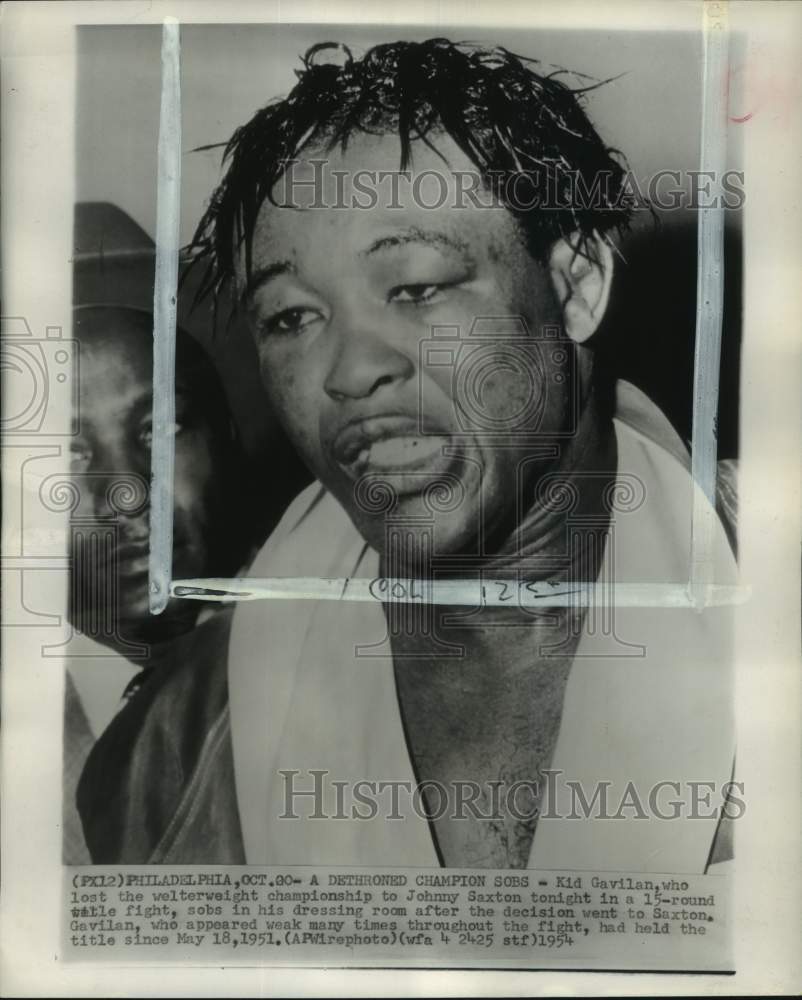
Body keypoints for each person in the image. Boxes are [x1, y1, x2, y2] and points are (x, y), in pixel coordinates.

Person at [85, 39, 738, 870]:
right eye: (290, 318)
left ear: (575, 286)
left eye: (418, 287)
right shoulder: (178, 741)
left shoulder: (766, 598)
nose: (353, 372)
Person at [64, 305, 255, 863]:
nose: (126, 492)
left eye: (162, 430)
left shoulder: (359, 636)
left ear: (228, 438)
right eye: (64, 454)